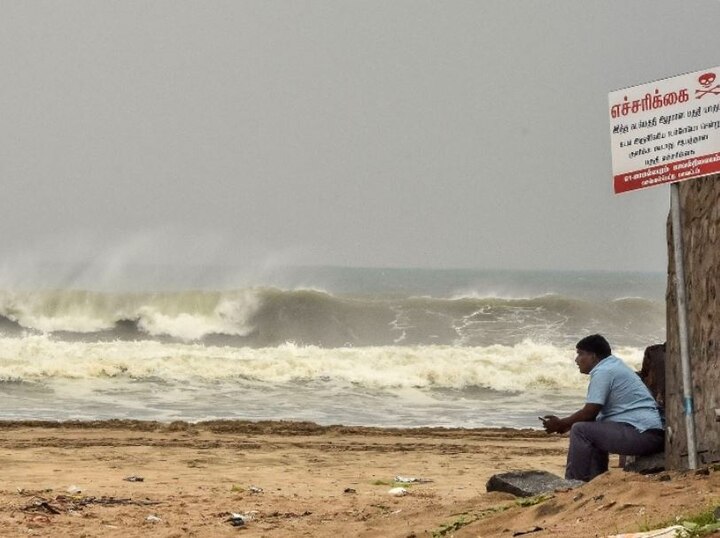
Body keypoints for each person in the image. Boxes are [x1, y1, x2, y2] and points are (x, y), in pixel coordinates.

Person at [541, 334, 664, 482]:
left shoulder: (603, 371)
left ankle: (573, 482)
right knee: (591, 429)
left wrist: (562, 424)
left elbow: (589, 412)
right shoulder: (613, 365)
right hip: (646, 433)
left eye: (580, 354)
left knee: (581, 430)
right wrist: (564, 425)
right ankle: (596, 481)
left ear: (593, 356)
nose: (576, 360)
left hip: (643, 435)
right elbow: (592, 416)